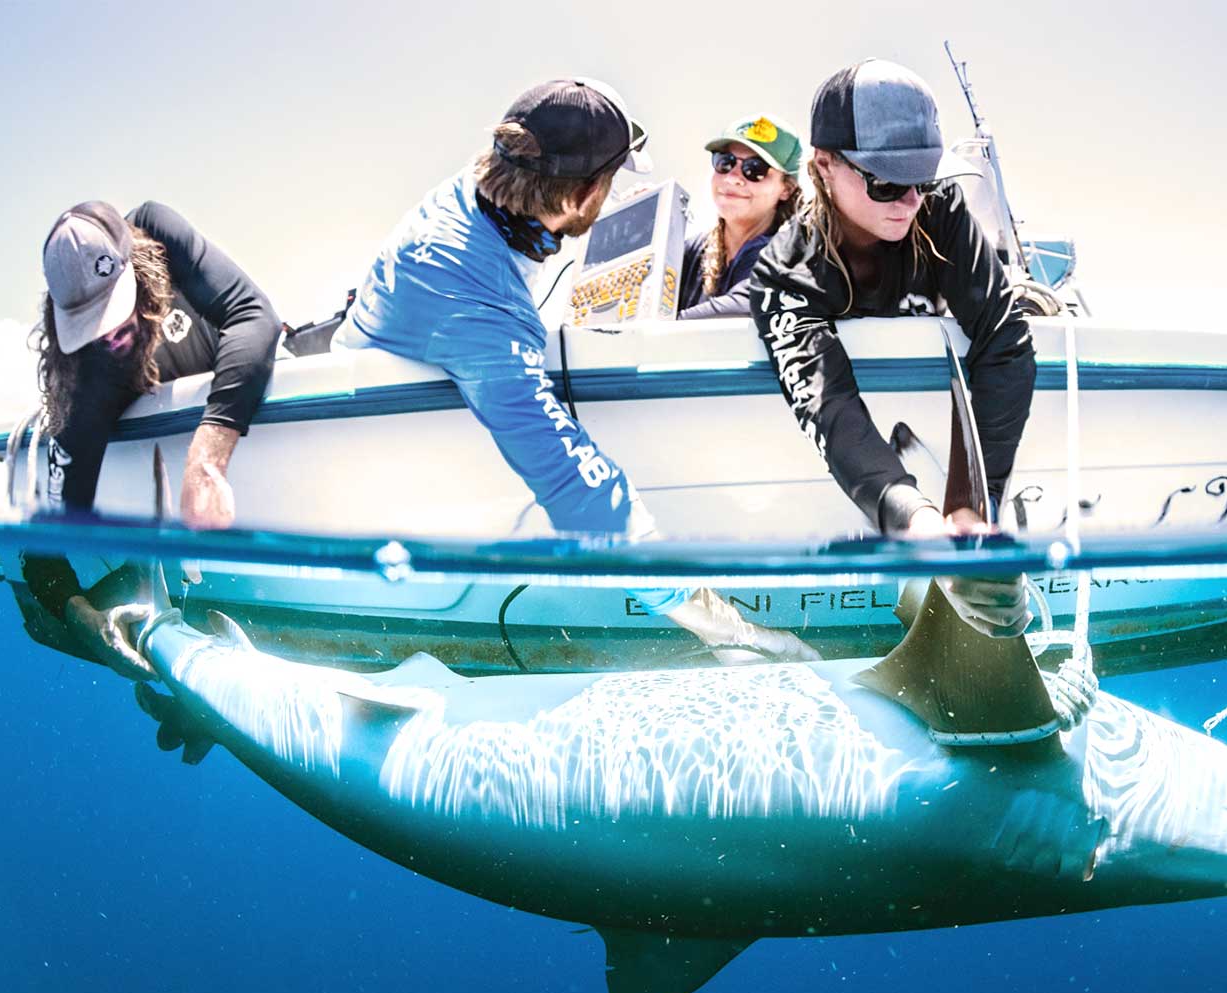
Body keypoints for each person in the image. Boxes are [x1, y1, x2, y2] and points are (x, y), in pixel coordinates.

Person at [333, 78, 815, 663]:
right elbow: (587, 500)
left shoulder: (476, 189)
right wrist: (734, 633)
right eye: (610, 183)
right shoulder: (480, 310)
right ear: (584, 194)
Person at [750, 59, 1039, 641]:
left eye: (922, 179)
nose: (908, 202)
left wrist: (967, 513)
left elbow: (1005, 340)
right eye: (885, 181)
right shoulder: (784, 270)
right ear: (823, 165)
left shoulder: (943, 214)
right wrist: (916, 523)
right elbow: (830, 406)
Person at [21, 200, 281, 678]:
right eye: (92, 325)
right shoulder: (85, 394)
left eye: (116, 311)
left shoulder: (157, 230)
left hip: (247, 384)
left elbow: (254, 315)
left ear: (135, 263)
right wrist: (83, 619)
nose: (114, 337)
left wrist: (207, 459)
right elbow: (41, 549)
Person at [676, 114, 803, 319]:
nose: (733, 177)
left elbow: (746, 303)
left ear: (786, 189)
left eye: (755, 169)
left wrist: (652, 334)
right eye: (725, 162)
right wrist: (646, 224)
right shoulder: (694, 251)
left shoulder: (790, 257)